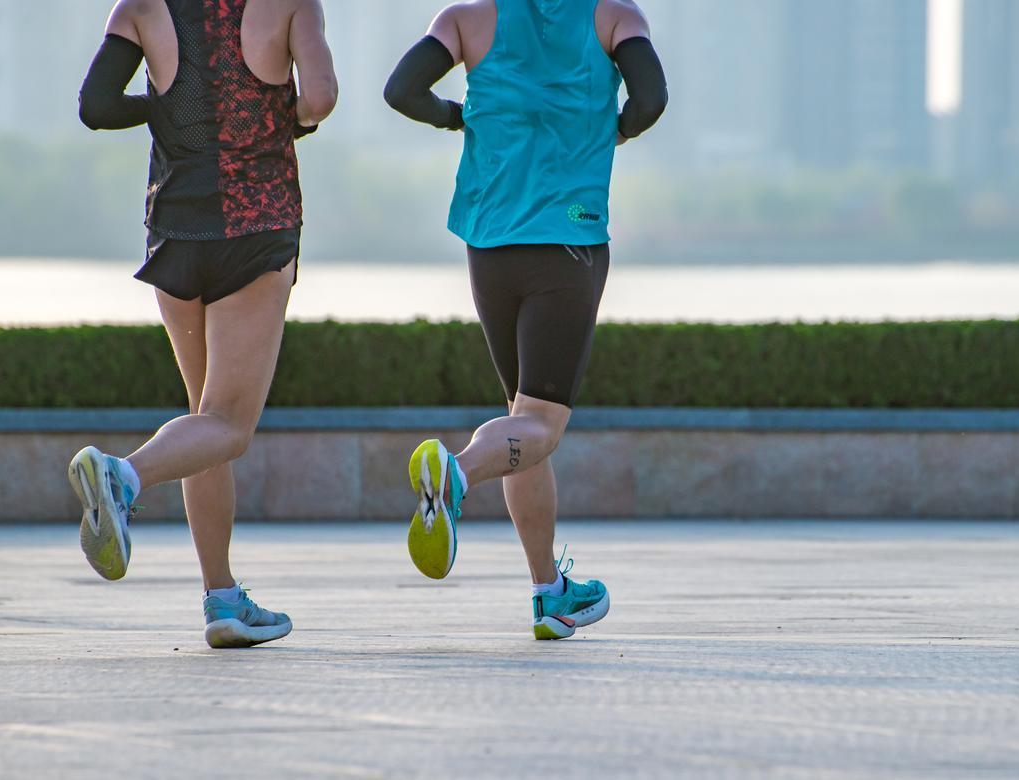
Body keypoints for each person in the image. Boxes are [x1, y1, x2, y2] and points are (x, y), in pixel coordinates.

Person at [384, 0, 667, 639]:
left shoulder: (467, 17)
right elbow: (650, 99)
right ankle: (455, 472)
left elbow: (402, 90)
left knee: (521, 416)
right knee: (541, 424)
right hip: (568, 239)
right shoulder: (613, 16)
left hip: (490, 243)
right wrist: (612, 130)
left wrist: (457, 116)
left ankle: (549, 593)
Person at [73, 0, 336, 648]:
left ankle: (221, 600)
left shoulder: (141, 7)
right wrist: (286, 116)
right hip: (255, 226)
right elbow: (320, 97)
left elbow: (97, 106)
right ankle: (123, 477)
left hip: (176, 231)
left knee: (203, 423)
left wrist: (165, 107)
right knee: (227, 426)